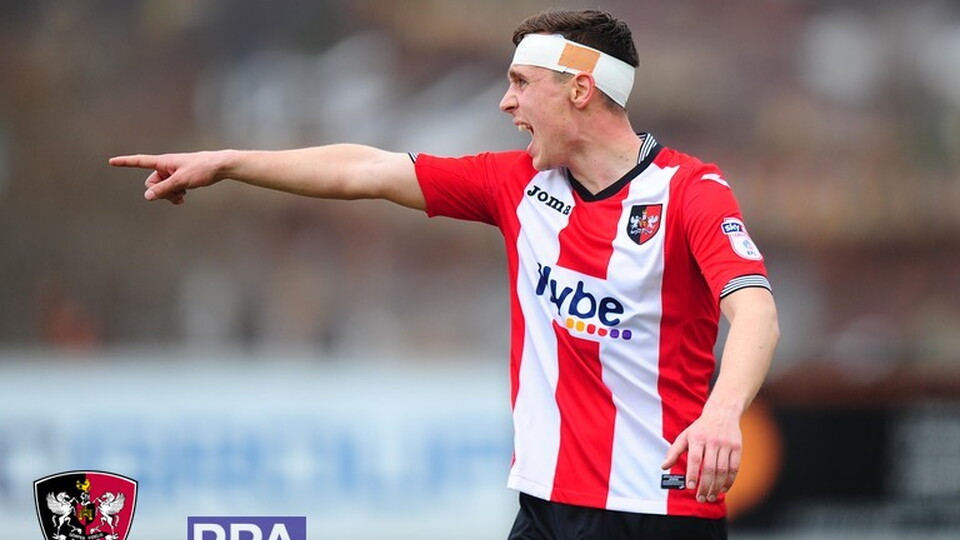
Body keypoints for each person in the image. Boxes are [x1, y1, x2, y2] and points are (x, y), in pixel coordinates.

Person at [110, 9, 779, 540]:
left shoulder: (690, 191)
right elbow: (367, 170)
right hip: (545, 504)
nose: (505, 103)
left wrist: (722, 414)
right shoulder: (516, 184)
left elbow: (755, 310)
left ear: (579, 89)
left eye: (521, 83)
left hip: (655, 510)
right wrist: (228, 162)